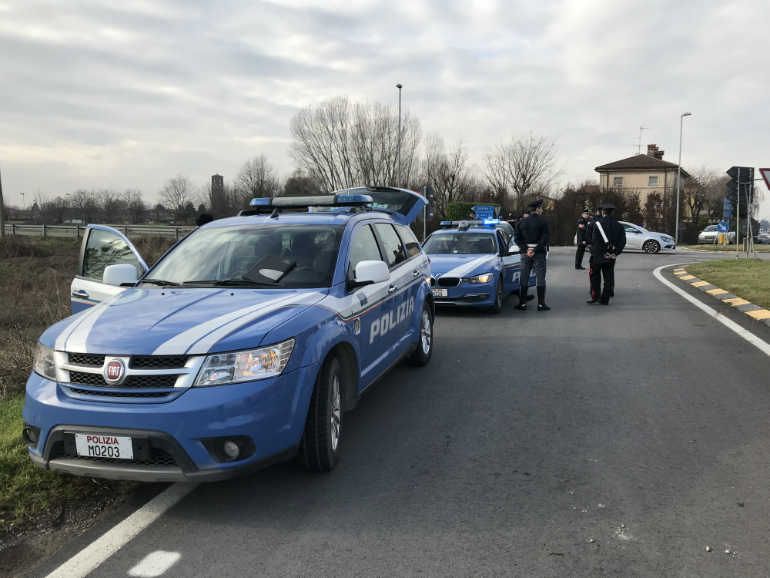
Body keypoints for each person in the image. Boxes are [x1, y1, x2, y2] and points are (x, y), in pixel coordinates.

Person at [513, 199, 550, 311]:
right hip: (538, 253)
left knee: (524, 276)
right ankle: (541, 304)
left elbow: (517, 239)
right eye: (541, 208)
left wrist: (527, 249)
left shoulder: (521, 222)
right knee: (540, 277)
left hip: (525, 253)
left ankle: (522, 303)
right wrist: (535, 249)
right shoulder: (543, 222)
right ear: (537, 209)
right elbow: (545, 239)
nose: (542, 210)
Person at [587, 202, 626, 305]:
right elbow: (622, 241)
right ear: (612, 213)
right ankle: (605, 299)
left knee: (594, 274)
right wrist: (615, 253)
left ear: (602, 213)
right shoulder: (619, 226)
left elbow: (595, 240)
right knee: (608, 277)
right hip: (612, 255)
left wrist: (603, 252)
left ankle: (596, 296)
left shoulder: (597, 224)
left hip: (598, 254)